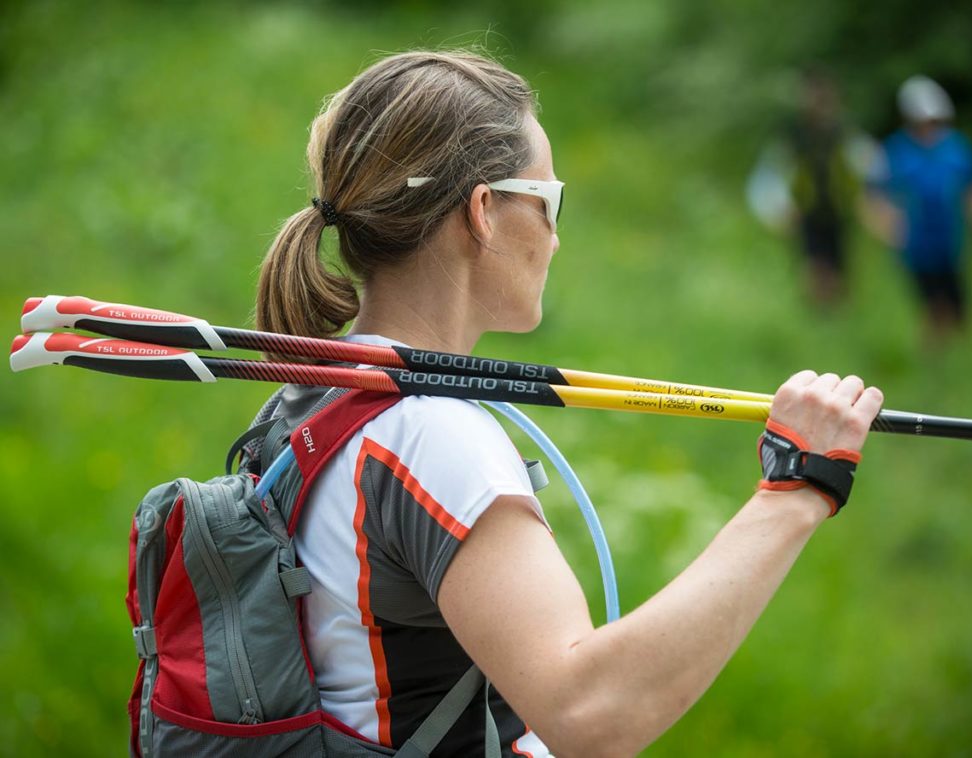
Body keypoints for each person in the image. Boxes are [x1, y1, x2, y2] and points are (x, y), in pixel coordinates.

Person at [255, 50, 885, 757]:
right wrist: (795, 490)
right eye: (550, 202)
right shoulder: (432, 436)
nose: (557, 237)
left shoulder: (311, 395)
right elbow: (589, 714)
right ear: (484, 211)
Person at [864, 75, 972, 341]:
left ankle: (957, 360)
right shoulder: (895, 151)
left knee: (960, 310)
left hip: (950, 242)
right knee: (933, 309)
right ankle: (934, 363)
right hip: (916, 246)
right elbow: (873, 195)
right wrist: (887, 226)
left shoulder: (955, 147)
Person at [746, 68, 878, 307]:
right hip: (806, 209)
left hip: (837, 209)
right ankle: (820, 315)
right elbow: (771, 172)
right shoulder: (794, 135)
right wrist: (776, 208)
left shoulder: (843, 133)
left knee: (838, 270)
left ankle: (836, 318)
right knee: (813, 269)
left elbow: (869, 166)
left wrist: (867, 202)